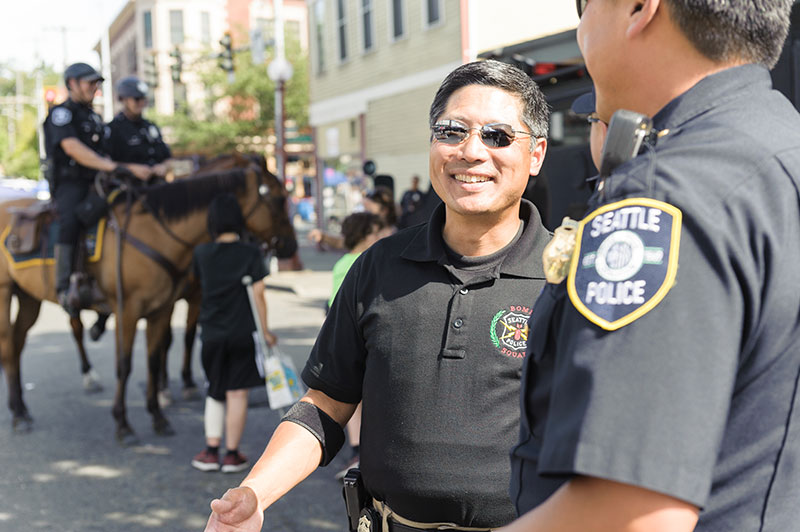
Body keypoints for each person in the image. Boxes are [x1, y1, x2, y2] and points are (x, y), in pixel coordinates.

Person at [203, 59, 550, 531]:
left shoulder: (567, 278)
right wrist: (254, 493)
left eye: (497, 136)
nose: (471, 151)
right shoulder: (377, 267)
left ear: (536, 154)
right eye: (452, 131)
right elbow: (326, 403)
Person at [505, 1, 800, 531]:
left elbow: (630, 515)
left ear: (640, 8)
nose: (581, 25)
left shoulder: (664, 193)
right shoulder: (781, 147)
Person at [43, 62, 151, 312]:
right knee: (70, 220)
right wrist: (110, 167)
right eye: (89, 82)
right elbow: (73, 148)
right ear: (72, 84)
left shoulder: (94, 117)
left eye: (97, 83)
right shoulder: (62, 114)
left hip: (98, 182)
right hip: (71, 184)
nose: (95, 87)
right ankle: (63, 286)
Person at [191, 193, 278, 474]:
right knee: (237, 394)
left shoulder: (201, 253)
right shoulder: (250, 253)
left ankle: (209, 450)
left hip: (211, 334)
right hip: (242, 332)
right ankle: (231, 454)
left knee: (214, 390)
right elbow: (259, 294)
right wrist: (265, 331)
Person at [325, 211, 385, 479]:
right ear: (362, 236)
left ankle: (357, 450)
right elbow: (340, 306)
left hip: (356, 335)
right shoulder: (362, 263)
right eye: (374, 232)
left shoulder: (343, 263)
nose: (379, 236)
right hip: (360, 337)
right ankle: (358, 452)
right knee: (358, 399)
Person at [105, 76, 172, 182]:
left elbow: (167, 157)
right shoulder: (113, 129)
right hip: (128, 189)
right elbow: (106, 163)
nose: (141, 103)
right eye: (136, 99)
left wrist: (163, 166)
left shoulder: (150, 126)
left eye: (143, 98)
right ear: (123, 99)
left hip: (157, 185)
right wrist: (131, 168)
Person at [308, 186, 397, 249]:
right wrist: (323, 237)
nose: (365, 212)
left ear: (385, 209)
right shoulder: (366, 225)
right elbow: (345, 241)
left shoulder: (395, 233)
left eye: (369, 208)